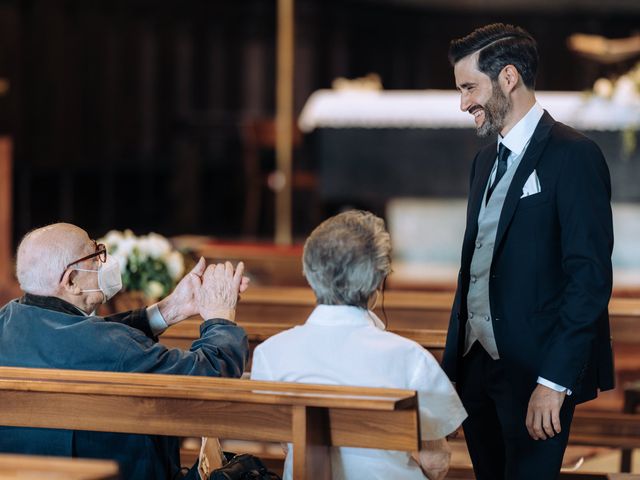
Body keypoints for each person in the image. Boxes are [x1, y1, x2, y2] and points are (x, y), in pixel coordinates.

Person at [442, 23, 614, 480]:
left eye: (469, 88)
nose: (463, 104)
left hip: (537, 374)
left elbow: (589, 279)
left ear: (508, 77)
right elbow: (476, 267)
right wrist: (453, 372)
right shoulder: (483, 160)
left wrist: (554, 382)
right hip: (476, 370)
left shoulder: (573, 155)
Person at [0, 222, 250, 480]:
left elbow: (76, 337)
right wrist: (221, 317)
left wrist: (169, 309)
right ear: (72, 281)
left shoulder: (6, 320)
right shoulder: (110, 346)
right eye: (95, 254)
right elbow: (209, 379)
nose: (103, 261)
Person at [251, 210, 467, 480]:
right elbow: (435, 461)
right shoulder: (410, 358)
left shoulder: (270, 354)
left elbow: (285, 440)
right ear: (377, 281)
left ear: (309, 271)